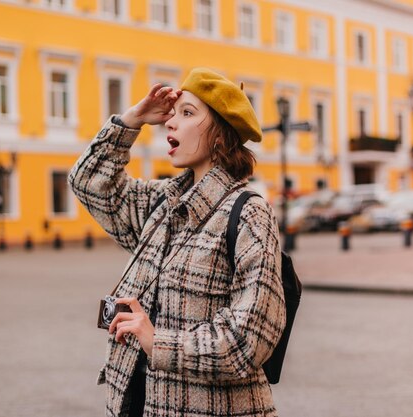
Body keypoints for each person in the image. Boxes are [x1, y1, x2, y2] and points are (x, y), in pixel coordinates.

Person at [68, 68, 286, 417]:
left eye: (188, 114)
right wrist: (132, 120)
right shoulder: (163, 204)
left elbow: (251, 338)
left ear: (220, 135)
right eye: (175, 112)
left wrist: (157, 342)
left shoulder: (248, 213)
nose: (171, 122)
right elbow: (89, 183)